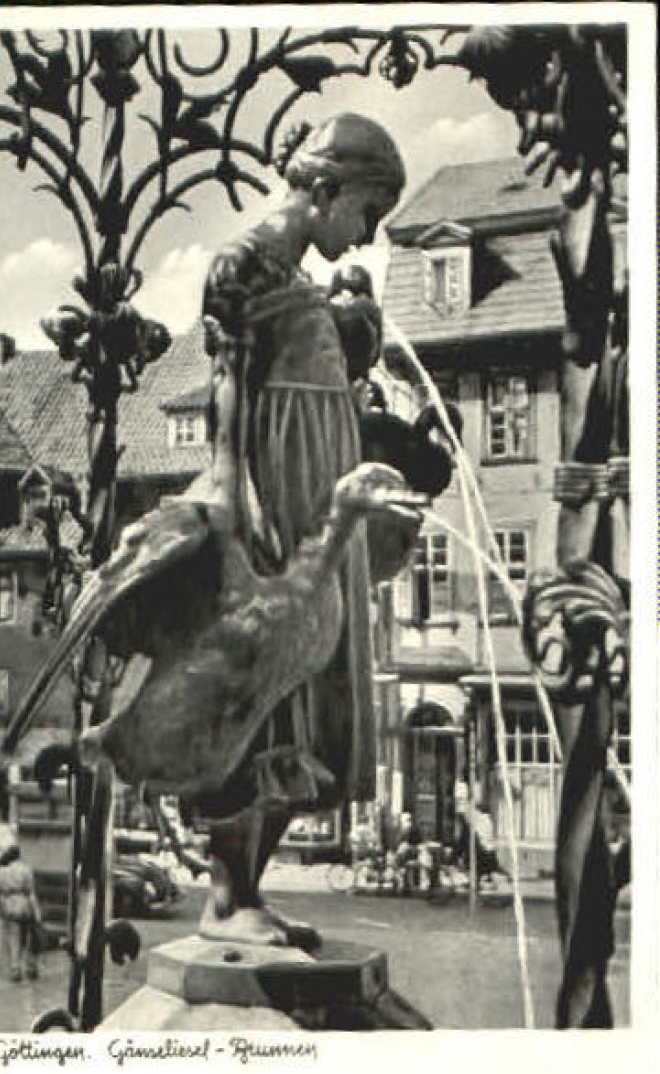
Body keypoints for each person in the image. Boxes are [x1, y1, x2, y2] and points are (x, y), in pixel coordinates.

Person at [198, 112, 406, 945]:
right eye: (365, 213)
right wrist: (229, 493)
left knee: (320, 702)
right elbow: (227, 387)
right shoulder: (242, 263)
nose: (365, 234)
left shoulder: (303, 278)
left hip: (326, 488)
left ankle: (247, 892)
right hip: (280, 489)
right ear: (325, 189)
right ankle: (226, 899)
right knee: (269, 691)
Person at [0, 844, 42, 981]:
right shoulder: (26, 870)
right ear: (19, 855)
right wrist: (37, 912)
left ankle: (15, 969)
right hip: (24, 906)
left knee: (13, 938)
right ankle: (31, 967)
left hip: (9, 907)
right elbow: (31, 893)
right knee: (27, 939)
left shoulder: (1, 872)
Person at [455, 803, 510, 889]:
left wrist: (457, 855)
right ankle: (498, 877)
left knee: (477, 864)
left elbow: (465, 841)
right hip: (488, 850)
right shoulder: (486, 820)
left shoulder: (473, 822)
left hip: (481, 851)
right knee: (490, 867)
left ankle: (480, 881)